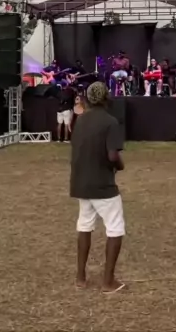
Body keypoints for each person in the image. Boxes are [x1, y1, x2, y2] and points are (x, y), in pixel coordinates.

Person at [70, 82, 126, 294]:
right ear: (105, 98)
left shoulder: (80, 120)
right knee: (115, 228)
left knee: (85, 225)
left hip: (81, 182)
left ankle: (80, 277)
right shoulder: (110, 122)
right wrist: (120, 165)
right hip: (102, 184)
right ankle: (108, 281)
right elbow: (112, 155)